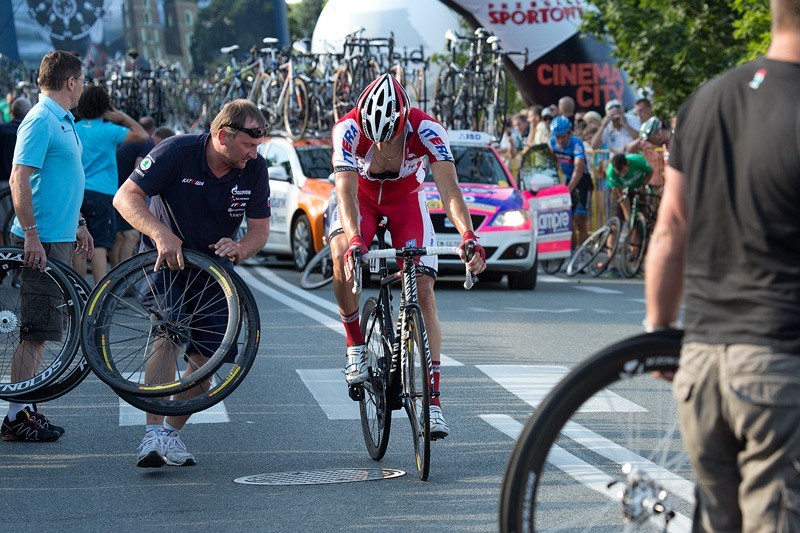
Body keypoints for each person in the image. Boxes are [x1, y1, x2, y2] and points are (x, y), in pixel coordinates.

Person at [645, 0, 800, 529]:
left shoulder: (707, 100)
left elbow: (670, 230)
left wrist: (660, 333)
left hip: (702, 366)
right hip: (779, 365)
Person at [114, 99, 270, 467]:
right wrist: (161, 233)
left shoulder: (254, 167)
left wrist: (240, 247)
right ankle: (151, 434)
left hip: (215, 270)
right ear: (222, 136)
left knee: (207, 359)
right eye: (248, 145)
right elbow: (126, 197)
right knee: (166, 332)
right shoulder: (176, 151)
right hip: (166, 260)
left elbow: (260, 230)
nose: (253, 153)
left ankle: (171, 435)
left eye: (257, 147)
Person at [330, 74, 486, 440]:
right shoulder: (348, 130)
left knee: (425, 289)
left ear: (405, 121)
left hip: (406, 200)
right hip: (362, 200)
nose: (384, 147)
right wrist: (354, 239)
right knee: (341, 254)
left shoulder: (427, 128)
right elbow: (346, 193)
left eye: (392, 138)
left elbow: (449, 189)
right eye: (377, 140)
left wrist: (467, 234)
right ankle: (355, 343)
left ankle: (433, 401)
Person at [2, 51, 93, 443]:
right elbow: (18, 179)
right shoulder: (40, 120)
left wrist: (81, 223)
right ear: (70, 81)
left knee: (43, 329)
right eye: (82, 80)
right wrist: (32, 234)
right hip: (40, 237)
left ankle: (26, 407)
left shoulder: (63, 120)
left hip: (59, 233)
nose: (84, 86)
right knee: (36, 330)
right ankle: (14, 415)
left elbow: (64, 181)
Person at [73, 85, 148, 284]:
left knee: (79, 243)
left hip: (77, 191)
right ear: (105, 107)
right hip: (103, 193)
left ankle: (79, 292)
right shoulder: (109, 130)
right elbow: (142, 135)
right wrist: (121, 115)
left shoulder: (74, 127)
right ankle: (99, 296)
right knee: (99, 245)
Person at [548, 115, 593, 247]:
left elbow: (579, 168)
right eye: (557, 137)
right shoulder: (551, 142)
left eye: (563, 137)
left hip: (582, 180)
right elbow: (550, 164)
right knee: (569, 219)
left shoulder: (576, 143)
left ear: (569, 133)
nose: (560, 140)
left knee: (580, 219)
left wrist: (568, 190)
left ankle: (583, 253)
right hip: (568, 178)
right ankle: (572, 249)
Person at [0, 98, 32, 182]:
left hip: (2, 181)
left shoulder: (2, 130)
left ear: (12, 113)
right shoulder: (30, 133)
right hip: (22, 183)